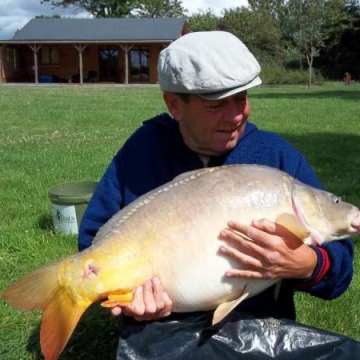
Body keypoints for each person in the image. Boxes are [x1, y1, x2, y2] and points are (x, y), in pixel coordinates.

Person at [78, 31, 354, 358]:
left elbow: (339, 267)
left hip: (261, 329)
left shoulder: (276, 157)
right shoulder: (143, 150)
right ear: (174, 104)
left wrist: (305, 264)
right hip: (162, 327)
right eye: (216, 105)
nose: (236, 114)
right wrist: (132, 301)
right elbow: (94, 243)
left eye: (242, 98)